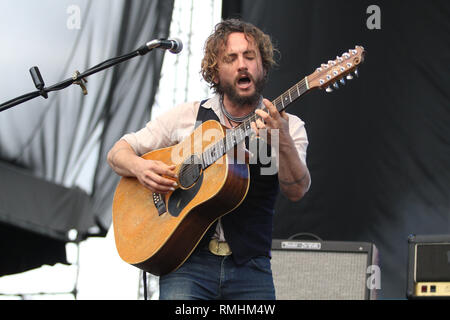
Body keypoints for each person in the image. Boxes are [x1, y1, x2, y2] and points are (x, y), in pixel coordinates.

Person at [107, 19, 310, 300]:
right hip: (185, 263)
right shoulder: (186, 117)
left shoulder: (288, 125)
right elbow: (118, 152)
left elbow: (297, 189)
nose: (243, 65)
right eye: (231, 58)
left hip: (251, 266)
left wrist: (283, 140)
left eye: (250, 56)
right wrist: (140, 168)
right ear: (215, 73)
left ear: (262, 66)